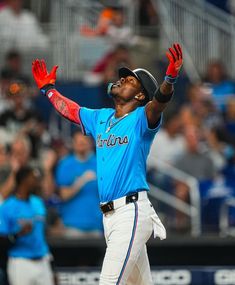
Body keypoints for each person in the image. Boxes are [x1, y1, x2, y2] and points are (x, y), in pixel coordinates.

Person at [32, 43, 183, 284]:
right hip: (110, 217)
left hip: (131, 211)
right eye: (123, 77)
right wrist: (49, 90)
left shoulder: (141, 119)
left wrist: (170, 79)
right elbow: (71, 110)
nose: (122, 79)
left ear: (141, 95)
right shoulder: (102, 117)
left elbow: (159, 103)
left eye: (130, 80)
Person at [0, 166, 54, 285]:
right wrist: (19, 234)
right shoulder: (7, 207)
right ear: (24, 181)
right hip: (20, 262)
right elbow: (1, 240)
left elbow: (43, 231)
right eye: (33, 178)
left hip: (42, 259)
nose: (36, 181)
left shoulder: (38, 202)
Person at [55, 130, 103, 237]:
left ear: (91, 143)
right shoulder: (66, 164)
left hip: (97, 225)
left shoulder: (100, 162)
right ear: (73, 144)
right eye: (78, 142)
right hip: (72, 225)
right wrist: (81, 181)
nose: (81, 145)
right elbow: (64, 195)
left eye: (84, 142)